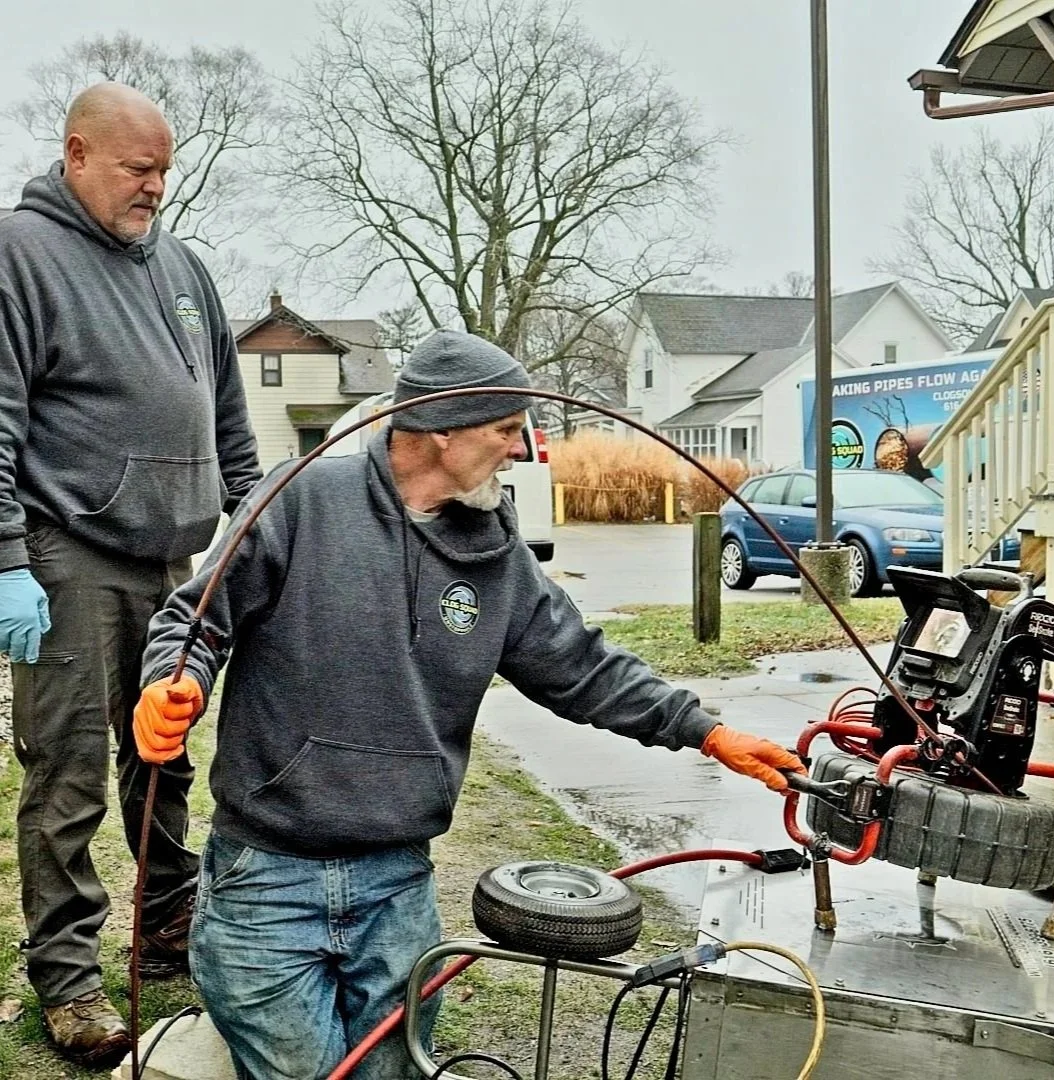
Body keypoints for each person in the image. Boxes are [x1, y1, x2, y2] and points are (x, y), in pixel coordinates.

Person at [135, 329, 804, 1080]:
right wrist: (172, 683)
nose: (520, 449)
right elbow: (196, 621)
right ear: (441, 429)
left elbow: (581, 666)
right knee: (300, 1073)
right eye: (506, 428)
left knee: (394, 1070)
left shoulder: (494, 551)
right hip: (266, 873)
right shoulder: (301, 498)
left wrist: (706, 732)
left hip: (397, 880)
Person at [0, 83, 262, 1066]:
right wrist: (6, 563)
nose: (155, 186)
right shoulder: (20, 255)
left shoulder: (183, 266)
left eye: (165, 170)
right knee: (66, 772)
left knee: (165, 750)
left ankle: (165, 921)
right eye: (137, 169)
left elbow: (225, 409)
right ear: (77, 154)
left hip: (173, 560)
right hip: (66, 554)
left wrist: (258, 518)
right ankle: (67, 977)